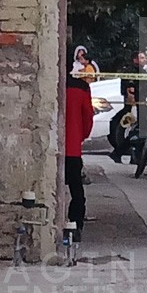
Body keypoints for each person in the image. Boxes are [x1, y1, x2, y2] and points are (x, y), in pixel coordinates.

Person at [65, 75, 94, 240]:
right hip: (72, 146)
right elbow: (87, 116)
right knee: (76, 190)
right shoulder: (81, 88)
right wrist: (81, 135)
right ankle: (75, 225)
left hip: (53, 145)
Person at [109, 51, 147, 163]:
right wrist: (133, 104)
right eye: (142, 58)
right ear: (135, 59)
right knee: (135, 132)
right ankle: (119, 152)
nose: (145, 60)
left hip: (140, 104)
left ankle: (135, 157)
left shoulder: (141, 71)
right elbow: (130, 90)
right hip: (134, 106)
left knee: (139, 131)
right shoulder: (132, 71)